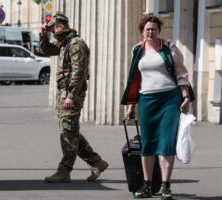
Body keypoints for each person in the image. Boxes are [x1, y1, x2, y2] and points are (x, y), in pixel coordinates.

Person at [121, 15, 191, 200]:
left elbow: (181, 73)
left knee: (167, 142)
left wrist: (185, 95)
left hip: (169, 99)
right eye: (147, 29)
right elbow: (134, 79)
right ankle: (147, 185)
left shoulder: (170, 48)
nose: (150, 32)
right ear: (142, 31)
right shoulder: (137, 50)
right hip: (147, 100)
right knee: (148, 143)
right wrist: (131, 105)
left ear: (159, 31)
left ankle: (166, 186)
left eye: (154, 29)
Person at [40, 11, 108, 183]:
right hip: (64, 94)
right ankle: (96, 162)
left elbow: (79, 71)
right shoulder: (64, 43)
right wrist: (43, 36)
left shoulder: (75, 43)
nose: (52, 31)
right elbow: (46, 50)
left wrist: (71, 95)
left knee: (68, 132)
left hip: (72, 95)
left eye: (52, 28)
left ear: (60, 26)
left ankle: (64, 171)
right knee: (70, 131)